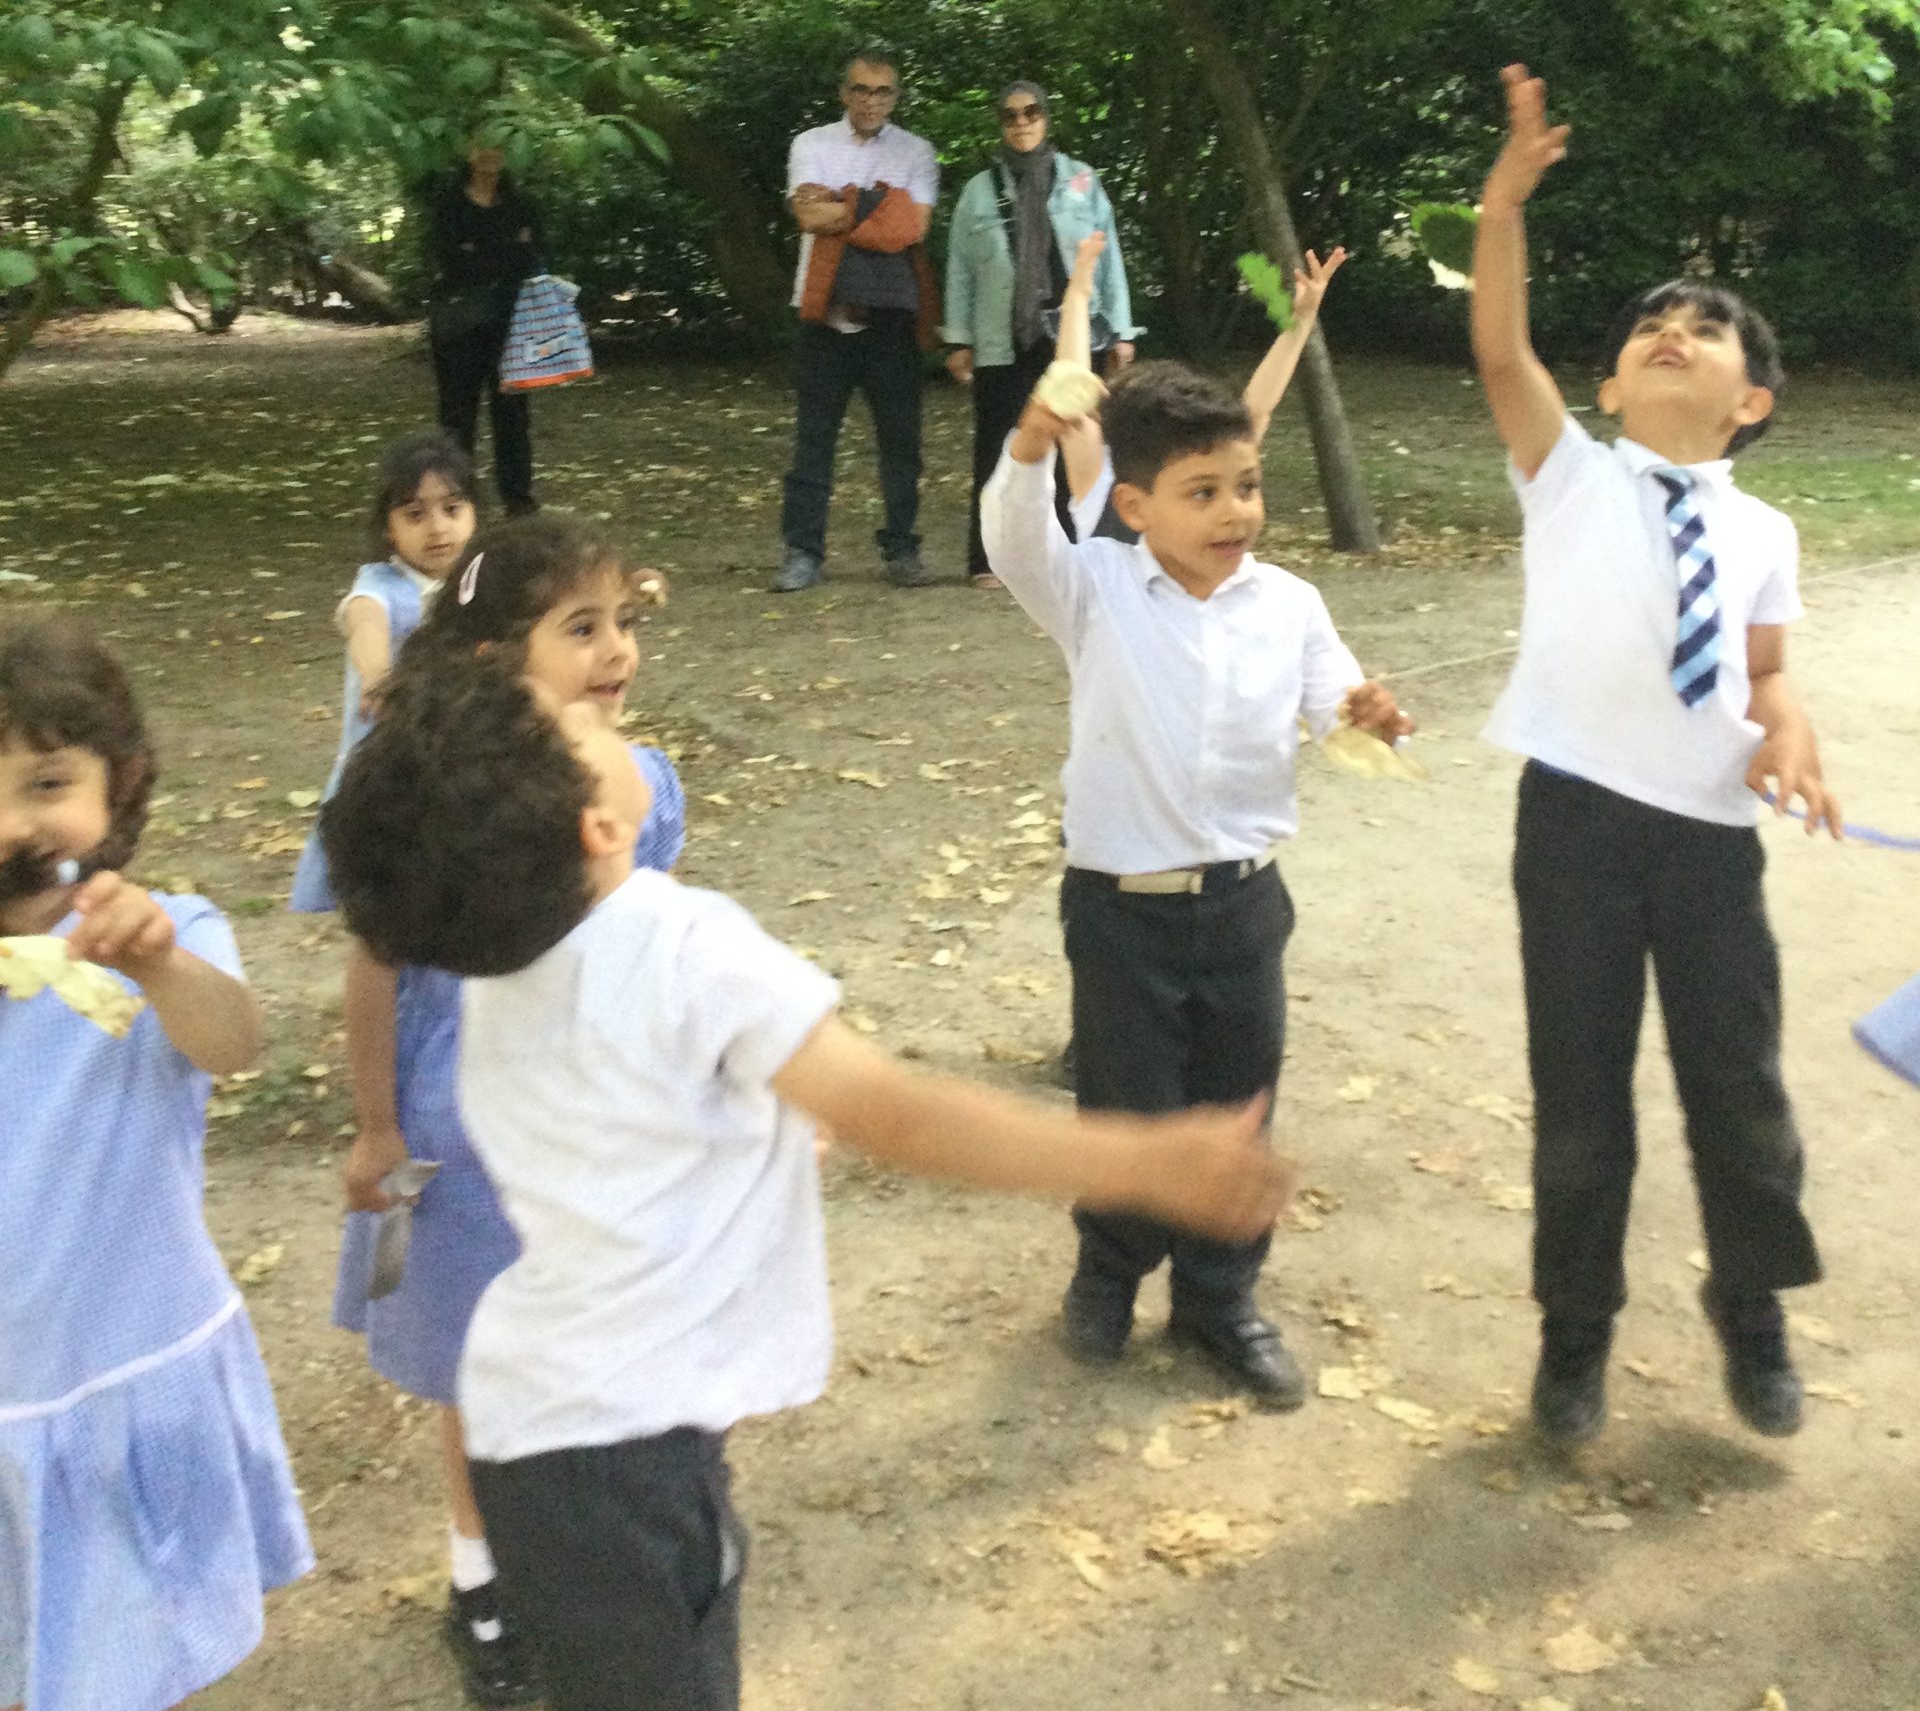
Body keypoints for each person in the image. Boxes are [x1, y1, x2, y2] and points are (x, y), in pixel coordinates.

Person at [320, 661, 1291, 1711]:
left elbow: (628, 1123)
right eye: (579, 725)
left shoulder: (499, 972)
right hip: (622, 1452)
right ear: (599, 826)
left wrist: (763, 1131)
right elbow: (895, 1113)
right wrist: (1141, 1161)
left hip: (544, 1425)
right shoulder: (684, 943)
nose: (602, 711)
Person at [1470, 62, 1839, 1450]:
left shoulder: (1764, 533)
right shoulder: (1571, 475)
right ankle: (1576, 1333)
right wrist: (1504, 205)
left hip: (1707, 839)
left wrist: (1790, 730)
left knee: (1739, 1091)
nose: (1676, 331)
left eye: (1709, 327)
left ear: (1755, 402)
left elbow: (1766, 671)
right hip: (1572, 822)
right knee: (1581, 1102)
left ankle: (1753, 1305)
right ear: (1612, 384)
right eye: (1652, 326)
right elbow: (1501, 353)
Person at [982, 363, 1412, 1405]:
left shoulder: (1290, 603)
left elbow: (1339, 708)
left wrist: (1371, 717)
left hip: (1245, 906)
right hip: (1121, 910)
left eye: (1248, 486)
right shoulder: (1094, 589)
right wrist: (1031, 440)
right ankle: (1108, 1275)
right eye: (1204, 492)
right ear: (1135, 506)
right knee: (1128, 1111)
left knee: (1236, 1109)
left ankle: (1222, 1300)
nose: (1235, 513)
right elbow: (1013, 539)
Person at [324, 517, 682, 1709]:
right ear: (490, 657)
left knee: (595, 1344)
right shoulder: (438, 799)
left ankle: (590, 1542)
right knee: (481, 1362)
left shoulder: (644, 780)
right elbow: (376, 967)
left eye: (624, 620)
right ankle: (480, 1575)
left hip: (602, 1127)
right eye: (581, 627)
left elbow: (663, 950)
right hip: (463, 1132)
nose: (617, 648)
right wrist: (378, 1128)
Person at [0, 621, 312, 1711]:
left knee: (138, 1657)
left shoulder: (167, 931)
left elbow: (232, 1042)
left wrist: (161, 965)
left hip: (127, 1369)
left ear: (119, 785)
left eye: (47, 783)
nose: (12, 823)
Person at [943, 82, 1138, 585]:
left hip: (1074, 331)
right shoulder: (978, 191)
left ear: (1046, 117)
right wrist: (959, 338)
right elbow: (960, 269)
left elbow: (1109, 255)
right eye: (1010, 115)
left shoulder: (1081, 180)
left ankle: (1077, 551)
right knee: (998, 446)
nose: (1021, 122)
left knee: (1078, 438)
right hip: (1002, 333)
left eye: (1031, 112)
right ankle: (988, 559)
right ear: (1000, 124)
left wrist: (1121, 330)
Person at [289, 428, 479, 914]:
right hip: (390, 771)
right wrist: (378, 677)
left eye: (452, 509)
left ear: (474, 513)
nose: (438, 528)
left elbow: (549, 595)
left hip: (464, 761)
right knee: (388, 900)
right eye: (415, 514)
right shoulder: (382, 585)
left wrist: (623, 585)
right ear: (388, 529)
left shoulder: (482, 579)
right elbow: (365, 621)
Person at [774, 43, 941, 592]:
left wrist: (840, 206)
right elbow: (807, 214)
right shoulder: (811, 143)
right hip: (823, 315)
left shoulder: (917, 152)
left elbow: (911, 228)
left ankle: (902, 548)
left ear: (896, 97)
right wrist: (878, 206)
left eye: (883, 91)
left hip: (892, 319)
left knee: (901, 442)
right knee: (813, 440)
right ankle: (803, 552)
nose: (871, 101)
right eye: (861, 90)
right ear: (843, 93)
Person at [1061, 239, 1349, 543]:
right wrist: (1077, 296)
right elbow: (1071, 385)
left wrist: (1302, 319)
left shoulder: (1205, 459)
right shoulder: (1102, 488)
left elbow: (1256, 409)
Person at [427, 142, 544, 515]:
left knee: (513, 414)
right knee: (457, 415)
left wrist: (479, 250)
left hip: (512, 323)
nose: (491, 154)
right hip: (459, 325)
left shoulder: (521, 204)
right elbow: (450, 261)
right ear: (468, 152)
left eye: (499, 146)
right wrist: (508, 250)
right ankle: (455, 496)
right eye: (482, 146)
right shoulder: (450, 204)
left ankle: (518, 497)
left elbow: (536, 257)